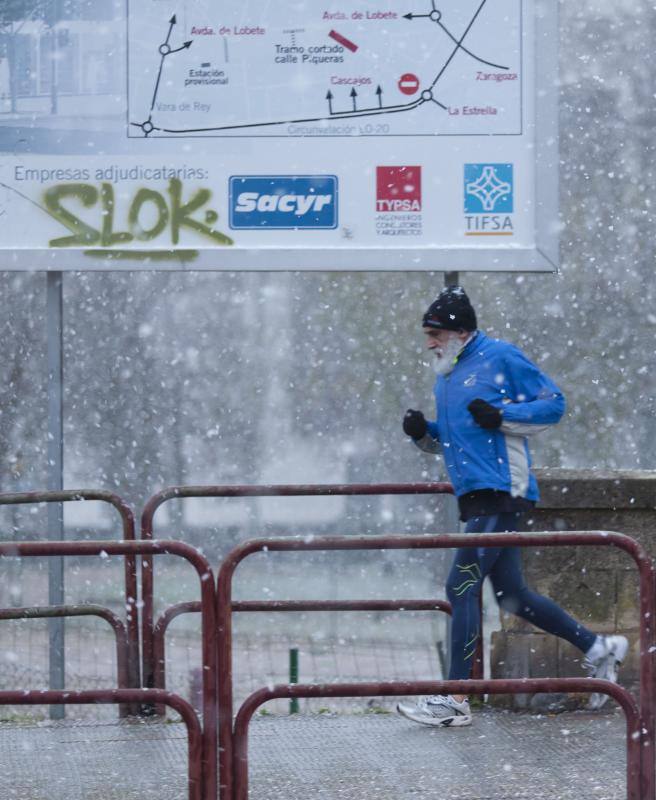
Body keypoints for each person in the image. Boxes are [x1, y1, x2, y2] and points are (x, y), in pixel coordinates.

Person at [396, 286, 628, 727]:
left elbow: (553, 405)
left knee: (460, 587)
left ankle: (455, 698)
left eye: (434, 334)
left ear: (461, 332)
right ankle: (600, 648)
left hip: (504, 491)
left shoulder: (501, 357)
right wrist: (421, 431)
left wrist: (501, 415)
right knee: (513, 596)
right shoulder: (446, 374)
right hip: (475, 496)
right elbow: (454, 439)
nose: (428, 343)